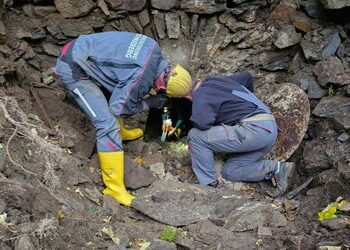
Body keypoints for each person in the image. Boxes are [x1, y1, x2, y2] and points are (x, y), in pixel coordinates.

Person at [54, 32, 192, 206]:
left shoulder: (153, 47)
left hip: (85, 48)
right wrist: (149, 103)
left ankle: (122, 133)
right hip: (73, 67)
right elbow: (119, 108)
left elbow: (124, 85)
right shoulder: (140, 77)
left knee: (120, 88)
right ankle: (114, 189)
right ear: (163, 87)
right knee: (107, 125)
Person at [187, 72, 294, 196]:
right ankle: (277, 169)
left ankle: (208, 186)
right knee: (231, 171)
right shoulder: (218, 81)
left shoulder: (201, 93)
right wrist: (241, 107)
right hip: (268, 129)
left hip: (253, 129)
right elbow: (247, 77)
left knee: (195, 136)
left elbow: (202, 124)